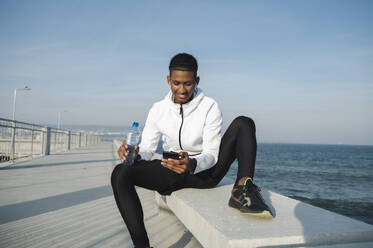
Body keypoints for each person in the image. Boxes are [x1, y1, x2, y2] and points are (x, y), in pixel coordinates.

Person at [111, 53, 272, 248]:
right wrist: (135, 154)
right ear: (168, 80)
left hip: (205, 172)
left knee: (244, 123)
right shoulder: (158, 109)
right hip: (171, 169)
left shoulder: (210, 106)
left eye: (188, 84)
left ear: (196, 80)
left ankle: (243, 190)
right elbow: (147, 149)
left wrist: (193, 163)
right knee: (120, 173)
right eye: (176, 83)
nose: (182, 90)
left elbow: (212, 154)